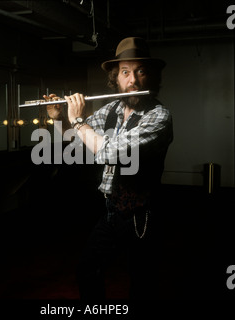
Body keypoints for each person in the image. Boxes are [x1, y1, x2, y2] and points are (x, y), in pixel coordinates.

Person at [45, 37, 173, 299]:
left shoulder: (159, 116)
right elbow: (74, 139)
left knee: (143, 284)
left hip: (143, 216)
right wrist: (59, 119)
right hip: (112, 212)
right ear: (116, 78)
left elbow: (109, 151)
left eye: (141, 71)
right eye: (125, 72)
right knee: (87, 270)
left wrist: (78, 120)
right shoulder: (111, 109)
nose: (133, 80)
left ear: (151, 77)